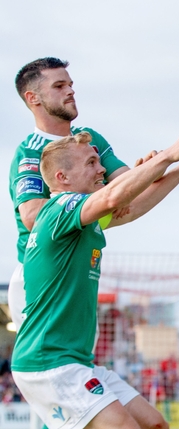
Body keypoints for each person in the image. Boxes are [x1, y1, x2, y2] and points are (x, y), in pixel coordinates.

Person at [11, 128, 179, 429]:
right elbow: (112, 197)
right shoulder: (61, 208)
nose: (102, 168)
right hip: (49, 363)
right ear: (62, 178)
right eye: (91, 163)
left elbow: (130, 207)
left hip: (74, 360)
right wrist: (167, 155)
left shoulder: (80, 219)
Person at [9, 57, 130, 330]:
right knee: (50, 365)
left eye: (71, 84)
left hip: (77, 269)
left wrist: (155, 171)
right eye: (59, 85)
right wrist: (105, 201)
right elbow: (32, 216)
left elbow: (125, 185)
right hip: (41, 275)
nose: (70, 91)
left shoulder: (89, 139)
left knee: (80, 358)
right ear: (33, 98)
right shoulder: (29, 151)